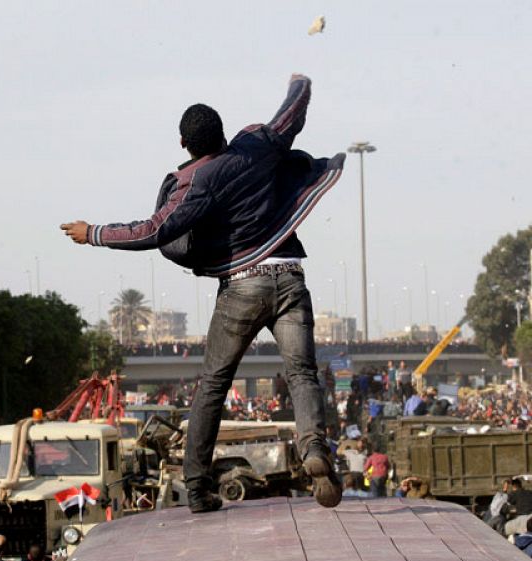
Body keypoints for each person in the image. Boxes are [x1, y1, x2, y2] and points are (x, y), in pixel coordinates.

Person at [60, 73, 345, 511]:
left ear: (183, 143)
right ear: (223, 131)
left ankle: (198, 487)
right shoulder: (258, 144)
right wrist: (299, 83)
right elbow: (292, 113)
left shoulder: (197, 181)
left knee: (213, 385)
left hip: (242, 286)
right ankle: (313, 450)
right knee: (302, 374)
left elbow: (154, 230)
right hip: (289, 275)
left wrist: (93, 232)